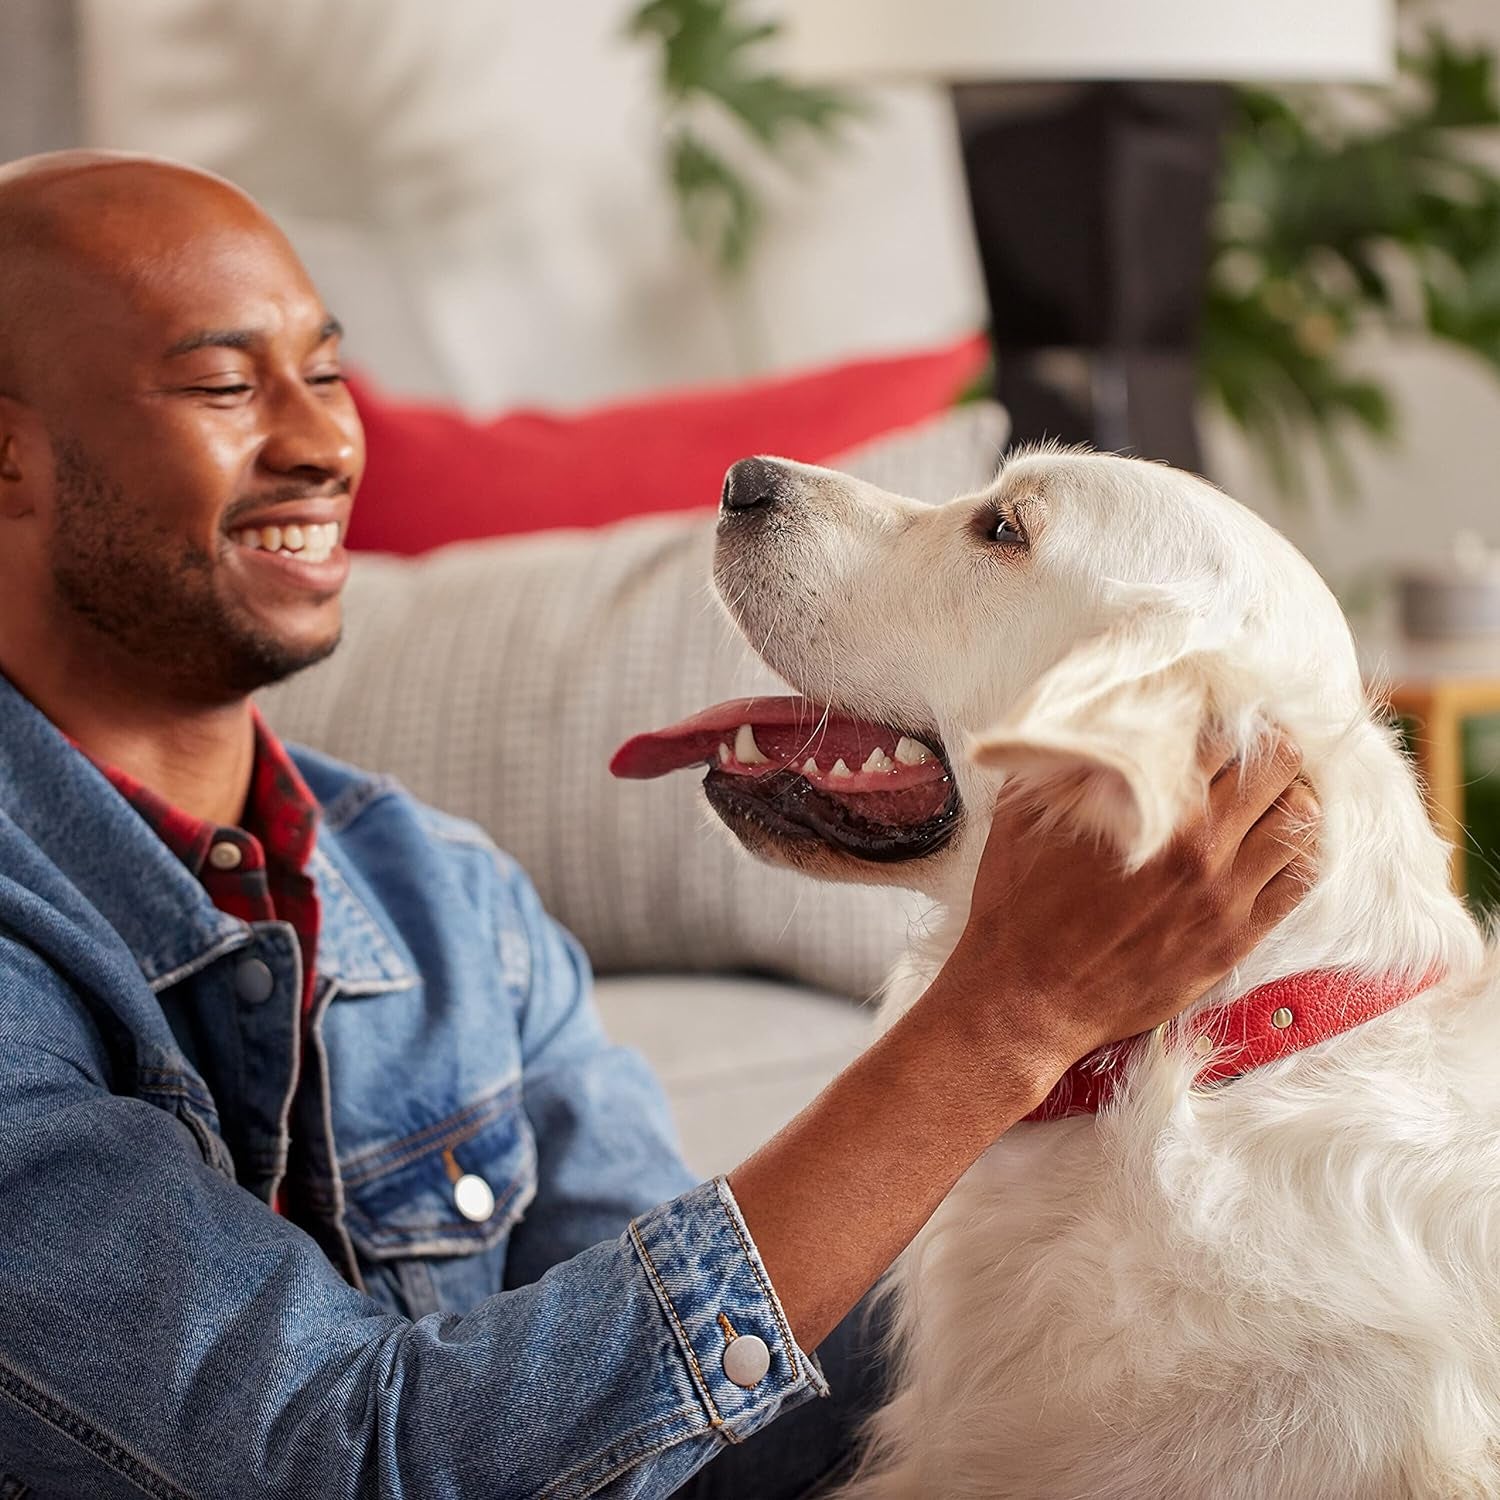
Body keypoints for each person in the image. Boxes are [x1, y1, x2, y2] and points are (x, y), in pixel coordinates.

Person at [0, 150, 1319, 1499]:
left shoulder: (443, 902)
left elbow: (692, 1413)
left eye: (327, 375)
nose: (325, 444)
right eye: (226, 384)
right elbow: (345, 1465)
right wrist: (1004, 1021)